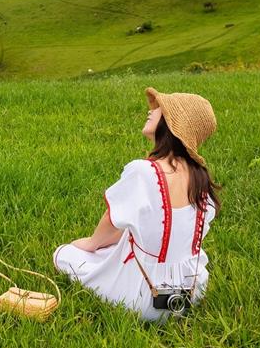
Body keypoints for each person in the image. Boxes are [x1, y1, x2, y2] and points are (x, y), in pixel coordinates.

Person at [53, 87, 221, 321]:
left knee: (65, 254)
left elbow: (112, 224)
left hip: (146, 299)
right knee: (126, 244)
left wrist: (91, 244)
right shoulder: (200, 178)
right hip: (191, 292)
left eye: (161, 109)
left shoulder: (143, 172)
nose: (151, 111)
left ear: (173, 126)